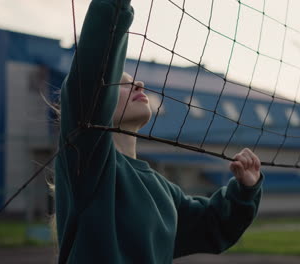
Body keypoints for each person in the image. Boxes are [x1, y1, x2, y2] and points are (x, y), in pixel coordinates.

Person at [54, 0, 263, 263]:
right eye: (122, 82)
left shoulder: (162, 190)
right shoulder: (87, 160)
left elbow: (212, 224)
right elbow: (94, 66)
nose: (138, 84)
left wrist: (245, 190)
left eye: (134, 81)